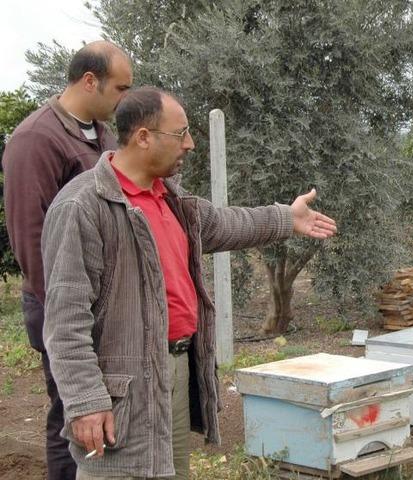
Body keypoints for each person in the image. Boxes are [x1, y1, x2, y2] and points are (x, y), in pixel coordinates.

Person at [41, 86, 337, 479]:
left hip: (174, 370)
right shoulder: (83, 206)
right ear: (143, 137)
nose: (190, 144)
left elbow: (226, 224)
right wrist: (85, 401)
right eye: (179, 134)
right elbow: (65, 321)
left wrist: (287, 218)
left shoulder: (170, 199)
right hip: (122, 391)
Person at [1, 40, 133, 480]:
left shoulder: (103, 133)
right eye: (119, 87)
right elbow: (29, 235)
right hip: (62, 308)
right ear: (89, 80)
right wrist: (67, 310)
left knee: (105, 413)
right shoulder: (36, 138)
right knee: (71, 416)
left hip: (104, 303)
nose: (124, 99)